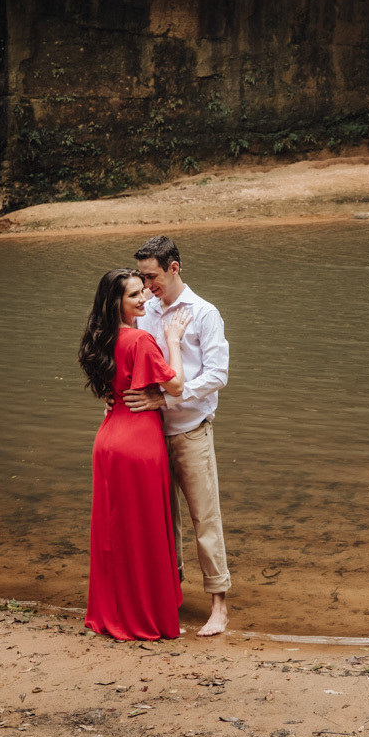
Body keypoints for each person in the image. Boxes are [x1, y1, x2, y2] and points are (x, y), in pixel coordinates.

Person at [124, 236, 231, 637]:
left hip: (189, 430)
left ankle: (219, 604)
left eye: (152, 276)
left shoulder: (205, 313)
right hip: (146, 434)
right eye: (143, 278)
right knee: (163, 522)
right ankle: (172, 596)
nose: (148, 285)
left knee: (205, 518)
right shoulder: (144, 310)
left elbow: (218, 375)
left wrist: (168, 400)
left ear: (174, 268)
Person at [78, 267, 191, 641]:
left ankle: (112, 611)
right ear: (116, 303)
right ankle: (146, 613)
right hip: (140, 443)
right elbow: (175, 383)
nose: (144, 299)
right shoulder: (140, 340)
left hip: (108, 439)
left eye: (143, 291)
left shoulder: (101, 339)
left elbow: (112, 390)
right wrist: (173, 339)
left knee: (115, 532)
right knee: (145, 531)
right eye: (134, 296)